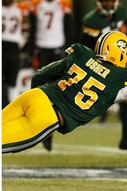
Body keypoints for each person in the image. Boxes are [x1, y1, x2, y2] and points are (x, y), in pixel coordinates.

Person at [81, 0, 127, 154]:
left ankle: (126, 139)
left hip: (120, 67)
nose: (108, 3)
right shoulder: (91, 21)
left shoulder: (121, 14)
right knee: (81, 106)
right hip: (99, 68)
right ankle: (54, 127)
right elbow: (85, 49)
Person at [27, 0, 74, 151]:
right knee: (41, 91)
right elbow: (33, 29)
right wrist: (31, 48)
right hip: (42, 50)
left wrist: (70, 49)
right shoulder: (36, 4)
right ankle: (41, 127)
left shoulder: (63, 3)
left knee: (58, 91)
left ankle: (51, 129)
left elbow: (68, 27)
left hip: (58, 50)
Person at [2, 0, 29, 108]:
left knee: (12, 81)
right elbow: (26, 30)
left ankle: (11, 107)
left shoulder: (21, 8)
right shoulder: (21, 8)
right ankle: (9, 108)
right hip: (13, 47)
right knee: (10, 81)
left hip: (12, 47)